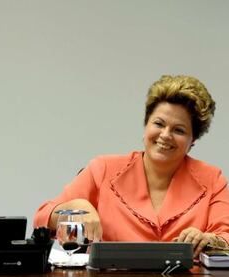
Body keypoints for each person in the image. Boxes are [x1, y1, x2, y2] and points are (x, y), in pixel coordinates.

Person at [34, 75, 229, 257]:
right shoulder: (103, 169)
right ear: (146, 126)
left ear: (192, 140)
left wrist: (208, 240)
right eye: (159, 124)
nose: (165, 135)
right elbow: (42, 218)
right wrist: (76, 207)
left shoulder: (212, 179)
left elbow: (226, 235)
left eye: (178, 130)